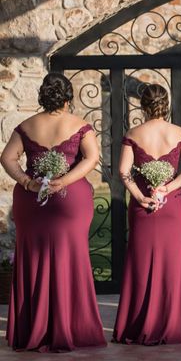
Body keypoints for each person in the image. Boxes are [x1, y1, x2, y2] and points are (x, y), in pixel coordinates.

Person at [0, 73, 106, 352]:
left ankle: (33, 328)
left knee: (32, 259)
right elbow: (92, 158)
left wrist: (28, 182)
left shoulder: (27, 125)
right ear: (68, 98)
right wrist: (64, 181)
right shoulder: (79, 125)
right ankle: (73, 327)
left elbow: (6, 158)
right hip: (69, 200)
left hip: (32, 200)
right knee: (71, 258)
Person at [113, 84, 181, 345]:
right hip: (170, 205)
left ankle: (138, 323)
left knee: (140, 263)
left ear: (143, 105)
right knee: (171, 264)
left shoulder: (134, 133)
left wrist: (140, 196)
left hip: (143, 206)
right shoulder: (178, 132)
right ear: (166, 104)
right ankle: (172, 324)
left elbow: (124, 171)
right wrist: (168, 188)